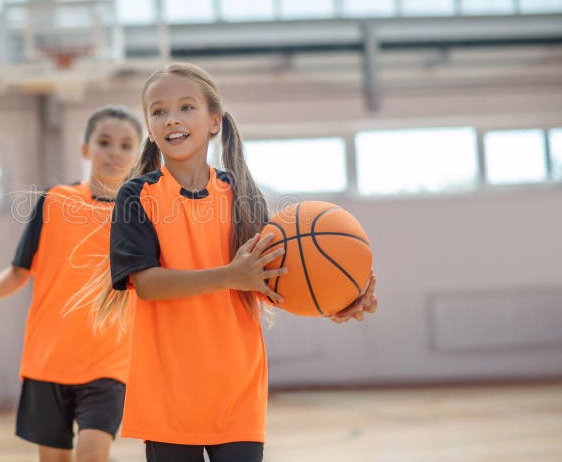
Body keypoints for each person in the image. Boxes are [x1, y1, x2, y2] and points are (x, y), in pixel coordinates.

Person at [93, 63, 378, 462]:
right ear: (151, 127)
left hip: (237, 387)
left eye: (185, 107)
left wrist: (335, 299)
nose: (171, 118)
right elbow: (148, 283)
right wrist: (230, 275)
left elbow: (270, 280)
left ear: (214, 122)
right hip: (169, 390)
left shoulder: (241, 194)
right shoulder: (136, 196)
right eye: (158, 111)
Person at [0, 105, 143, 462]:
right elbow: (20, 270)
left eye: (126, 144)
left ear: (137, 153)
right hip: (47, 362)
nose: (115, 152)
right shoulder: (55, 201)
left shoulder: (140, 215)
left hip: (109, 365)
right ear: (86, 149)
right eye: (105, 142)